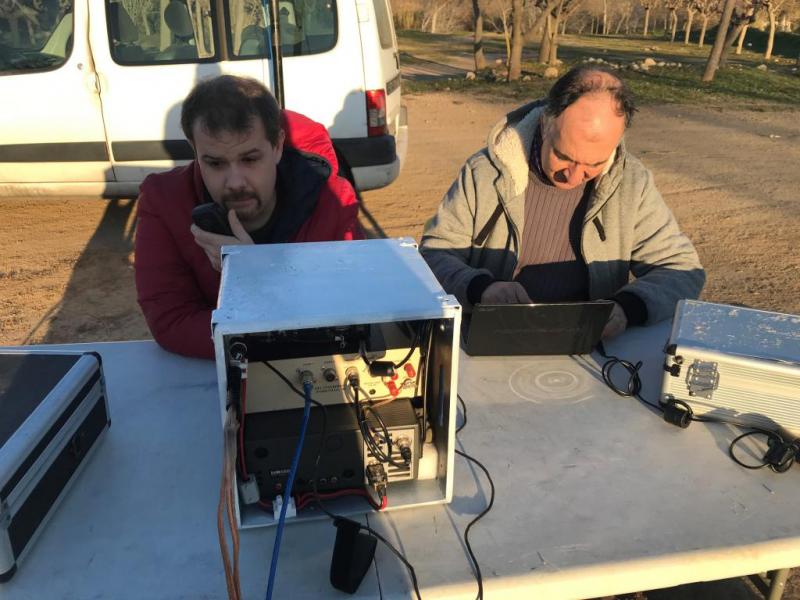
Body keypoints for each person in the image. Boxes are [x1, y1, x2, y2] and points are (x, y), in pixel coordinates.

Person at [419, 66, 705, 338]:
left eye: (593, 164)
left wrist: (627, 308)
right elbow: (434, 255)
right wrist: (480, 289)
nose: (574, 177)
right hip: (486, 338)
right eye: (563, 156)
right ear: (545, 122)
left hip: (591, 347)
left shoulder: (632, 183)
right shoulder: (483, 173)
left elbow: (682, 269)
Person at [134, 75, 364, 359]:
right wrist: (281, 326)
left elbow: (350, 310)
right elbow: (171, 321)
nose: (235, 182)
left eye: (250, 159)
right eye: (215, 163)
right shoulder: (163, 201)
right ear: (195, 151)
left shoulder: (332, 202)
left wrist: (253, 275)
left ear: (277, 146)